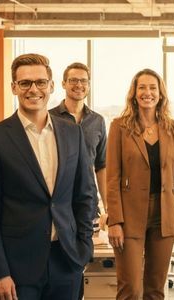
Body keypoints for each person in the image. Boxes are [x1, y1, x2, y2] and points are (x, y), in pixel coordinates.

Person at [0, 53, 97, 300]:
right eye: (25, 83)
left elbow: (85, 195)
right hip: (18, 268)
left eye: (40, 82)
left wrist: (83, 249)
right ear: (14, 87)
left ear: (51, 86)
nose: (34, 89)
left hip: (66, 261)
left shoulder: (72, 133)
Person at [105, 68, 174, 300]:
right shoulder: (119, 127)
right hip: (129, 214)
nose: (147, 92)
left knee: (155, 288)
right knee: (130, 287)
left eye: (153, 88)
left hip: (165, 214)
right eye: (142, 87)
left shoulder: (173, 128)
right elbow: (112, 177)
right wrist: (115, 220)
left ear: (160, 94)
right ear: (134, 93)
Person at [49, 62, 107, 215]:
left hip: (88, 202)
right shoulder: (49, 118)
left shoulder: (98, 121)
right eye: (73, 80)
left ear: (89, 85)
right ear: (63, 84)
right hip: (57, 201)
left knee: (87, 240)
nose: (79, 85)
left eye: (84, 81)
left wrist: (107, 207)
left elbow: (101, 166)